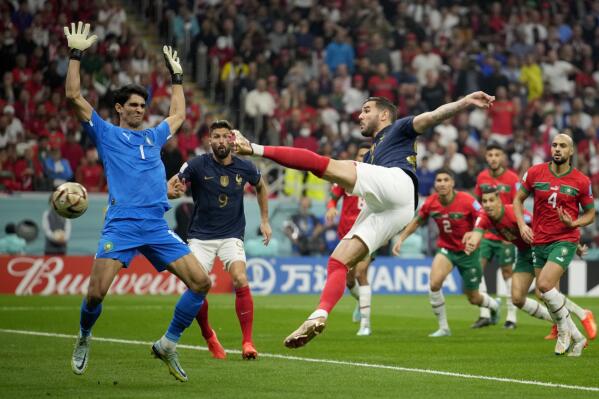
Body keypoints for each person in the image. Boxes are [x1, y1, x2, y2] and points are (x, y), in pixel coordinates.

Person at [231, 92, 495, 348]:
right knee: (338, 261)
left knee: (322, 164)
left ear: (383, 115)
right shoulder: (370, 155)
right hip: (394, 209)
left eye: (366, 110)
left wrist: (464, 102)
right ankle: (320, 314)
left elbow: (433, 116)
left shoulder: (400, 128)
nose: (360, 115)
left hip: (399, 183)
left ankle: (254, 147)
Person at [64, 22, 211, 382]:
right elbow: (73, 98)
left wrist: (177, 78)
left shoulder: (153, 135)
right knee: (96, 294)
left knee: (201, 282)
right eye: (132, 106)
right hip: (122, 224)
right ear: (118, 108)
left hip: (156, 226)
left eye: (143, 105)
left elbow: (177, 115)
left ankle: (168, 343)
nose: (140, 110)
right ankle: (84, 336)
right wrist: (75, 54)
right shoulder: (107, 133)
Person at [168, 119, 272, 360]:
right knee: (197, 287)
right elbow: (173, 183)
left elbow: (261, 186)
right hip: (200, 237)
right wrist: (170, 192)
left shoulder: (245, 167)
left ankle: (247, 342)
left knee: (240, 277)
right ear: (209, 141)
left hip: (231, 235)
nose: (221, 141)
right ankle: (209, 336)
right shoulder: (196, 165)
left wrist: (265, 220)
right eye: (217, 137)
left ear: (231, 139)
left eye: (226, 136)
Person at [464, 186, 595, 350]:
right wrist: (471, 244)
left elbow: (547, 227)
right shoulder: (484, 216)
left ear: (500, 200)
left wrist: (575, 246)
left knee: (545, 293)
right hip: (523, 253)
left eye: (491, 200)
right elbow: (476, 234)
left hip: (542, 249)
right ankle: (559, 321)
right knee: (517, 298)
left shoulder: (513, 213)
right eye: (484, 201)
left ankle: (582, 316)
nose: (488, 204)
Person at [514, 133, 596, 356]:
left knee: (545, 284)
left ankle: (563, 332)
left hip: (565, 239)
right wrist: (523, 225)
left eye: (563, 146)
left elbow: (591, 214)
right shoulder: (535, 172)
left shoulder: (581, 181)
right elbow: (518, 199)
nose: (558, 149)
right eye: (554, 145)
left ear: (571, 152)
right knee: (545, 293)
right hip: (538, 239)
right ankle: (578, 338)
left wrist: (574, 222)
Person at [392, 169, 500, 337]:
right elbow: (418, 221)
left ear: (452, 183)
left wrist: (474, 233)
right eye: (439, 180)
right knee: (434, 284)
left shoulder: (467, 200)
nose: (442, 183)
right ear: (435, 184)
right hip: (446, 249)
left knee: (473, 297)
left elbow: (483, 215)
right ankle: (443, 328)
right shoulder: (431, 202)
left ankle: (493, 305)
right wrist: (401, 239)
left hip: (468, 253)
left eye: (445, 180)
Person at [325, 143, 372, 336]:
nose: (362, 158)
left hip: (369, 233)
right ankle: (361, 302)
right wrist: (330, 207)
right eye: (360, 155)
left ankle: (366, 325)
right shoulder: (347, 176)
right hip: (347, 233)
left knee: (361, 274)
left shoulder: (378, 177)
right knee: (349, 280)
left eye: (366, 155)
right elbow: (333, 198)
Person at [471, 143, 520, 329]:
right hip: (486, 233)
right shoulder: (482, 177)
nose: (493, 158)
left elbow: (518, 204)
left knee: (507, 272)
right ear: (486, 157)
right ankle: (484, 313)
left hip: (506, 234)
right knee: (477, 268)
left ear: (503, 158)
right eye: (490, 154)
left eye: (496, 154)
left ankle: (511, 317)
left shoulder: (512, 179)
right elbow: (477, 205)